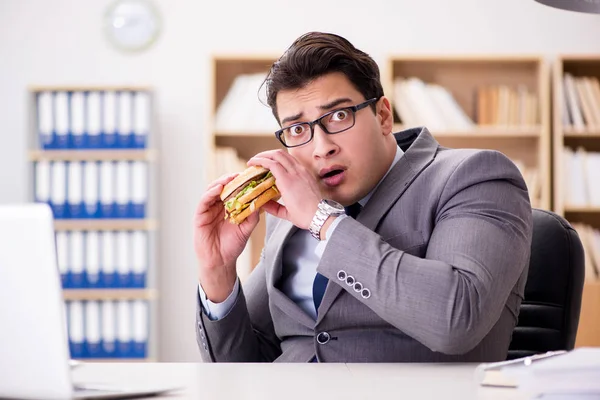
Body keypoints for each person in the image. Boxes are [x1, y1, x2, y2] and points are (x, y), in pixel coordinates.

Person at [193, 31, 533, 363]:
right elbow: (242, 364)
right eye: (298, 129)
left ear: (383, 115)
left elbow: (456, 321)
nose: (322, 147)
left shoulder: (475, 177)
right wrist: (218, 273)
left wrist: (323, 221)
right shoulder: (287, 213)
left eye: (339, 116)